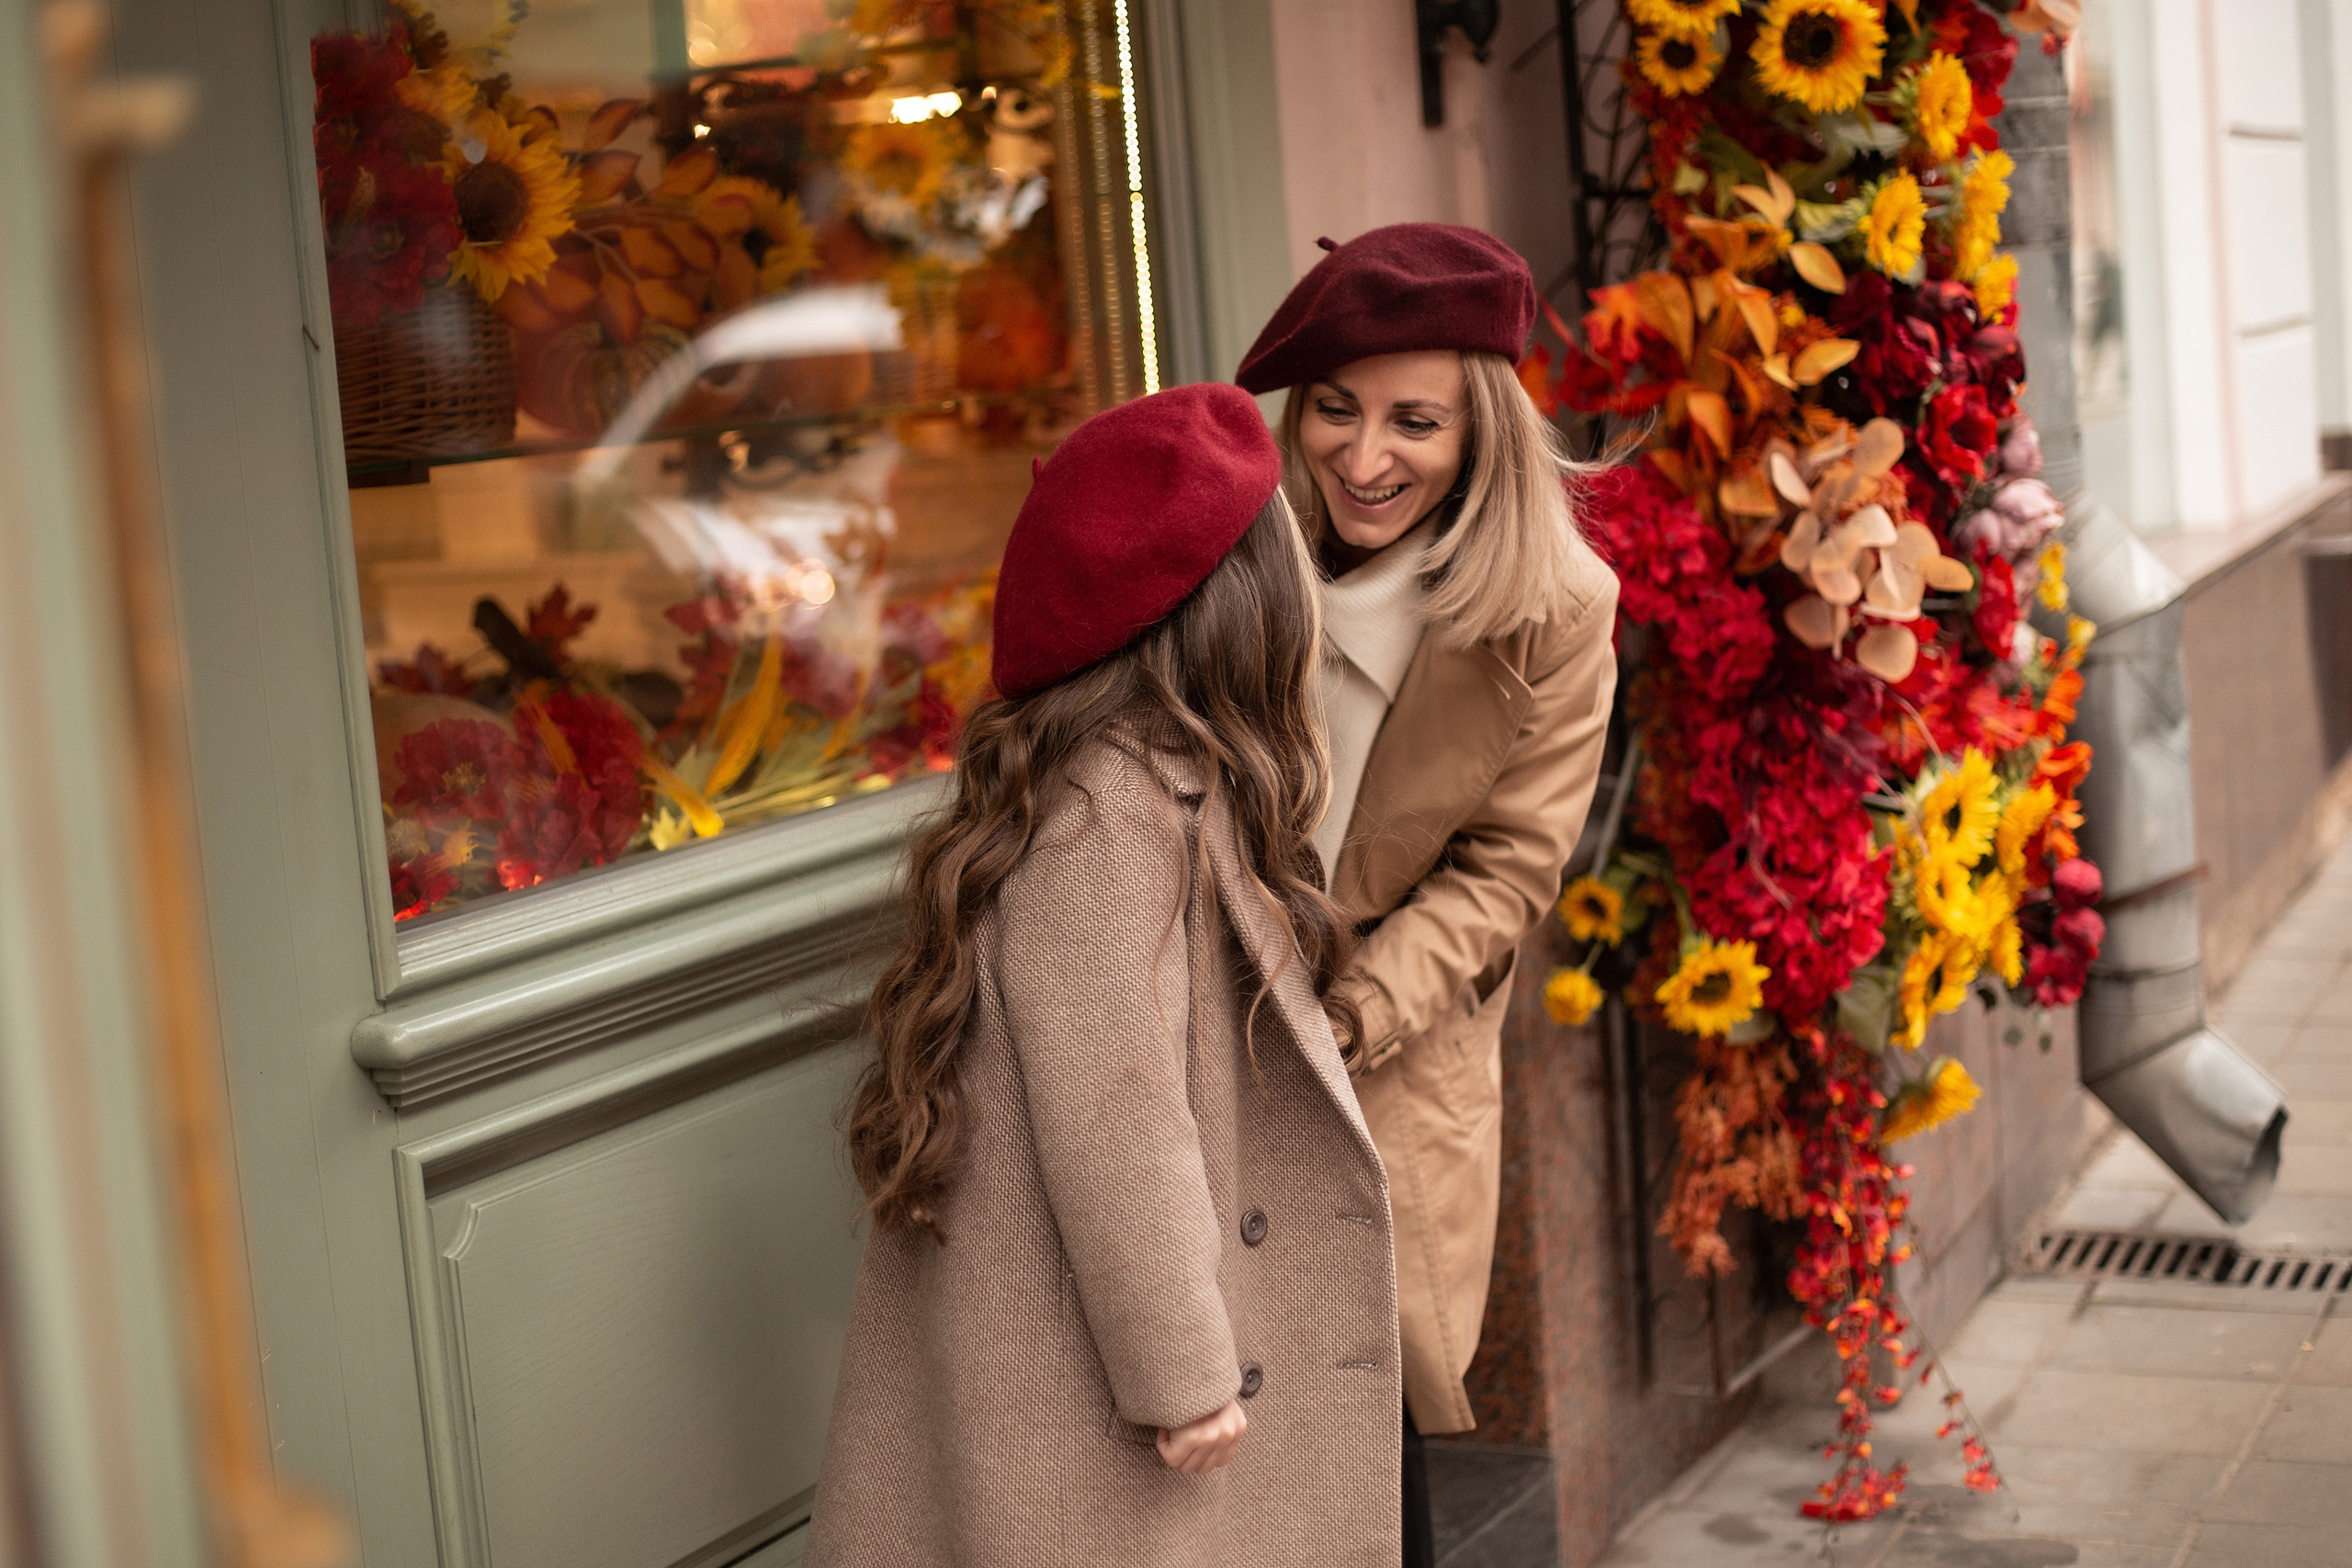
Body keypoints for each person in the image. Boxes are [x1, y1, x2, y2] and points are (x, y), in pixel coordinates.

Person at [807, 383, 1402, 1567]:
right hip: (1092, 1382)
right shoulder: (1107, 815)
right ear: (1237, 611)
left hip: (1104, 1357)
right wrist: (1184, 1369)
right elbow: (1115, 1116)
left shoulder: (1154, 786)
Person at [1237, 222, 1621, 1565]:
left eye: (1415, 422)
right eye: (1335, 410)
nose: (1363, 455)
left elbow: (1511, 862)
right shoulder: (1241, 556)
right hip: (1204, 1030)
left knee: (1358, 1411)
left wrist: (1349, 1015)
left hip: (1376, 1050)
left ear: (1485, 439)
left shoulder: (1557, 610)